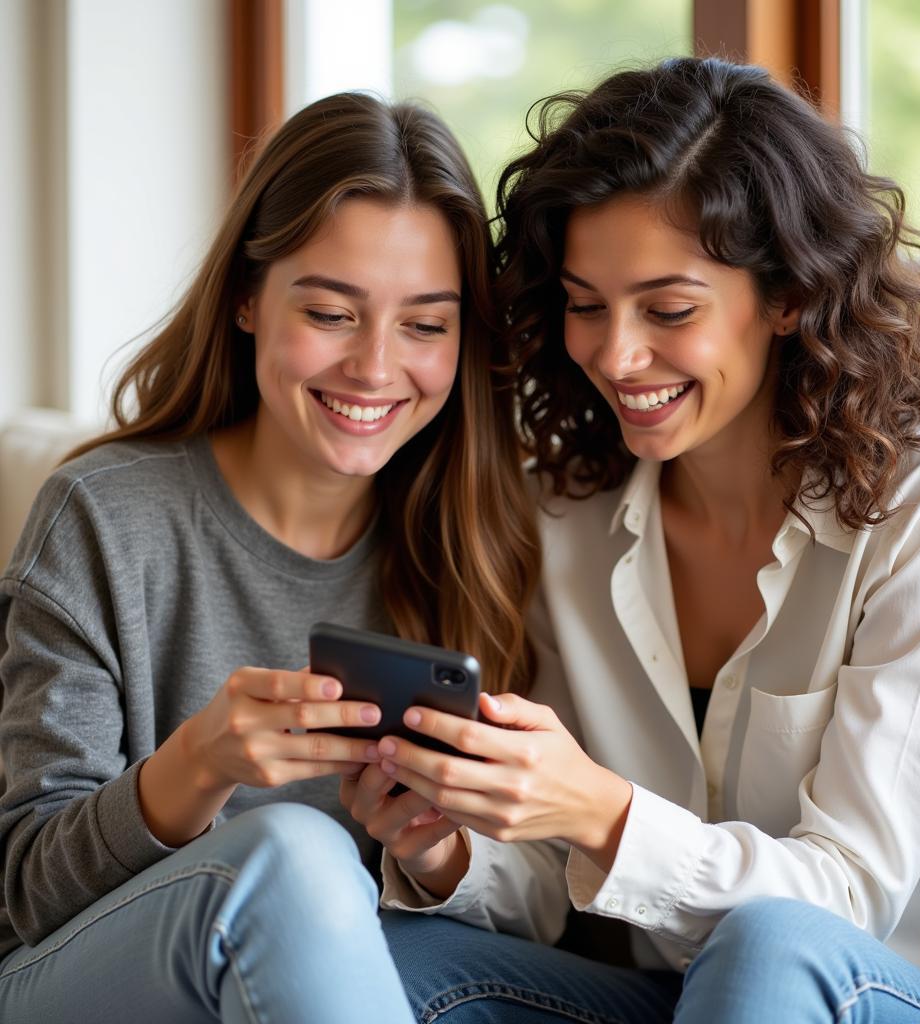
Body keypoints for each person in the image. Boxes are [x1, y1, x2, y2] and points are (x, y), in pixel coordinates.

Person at [340, 58, 920, 1022]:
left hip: (909, 988)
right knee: (389, 962)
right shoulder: (567, 512)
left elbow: (851, 899)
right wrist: (446, 845)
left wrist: (598, 811)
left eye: (669, 310)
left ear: (786, 296)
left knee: (771, 944)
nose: (615, 355)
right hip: (670, 992)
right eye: (586, 304)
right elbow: (549, 879)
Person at [0, 92, 540, 1022]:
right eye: (331, 312)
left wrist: (433, 851)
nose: (375, 368)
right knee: (295, 848)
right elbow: (24, 890)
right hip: (74, 978)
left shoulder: (475, 539)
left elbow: (527, 894)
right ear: (247, 299)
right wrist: (198, 764)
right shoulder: (105, 516)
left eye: (425, 324)